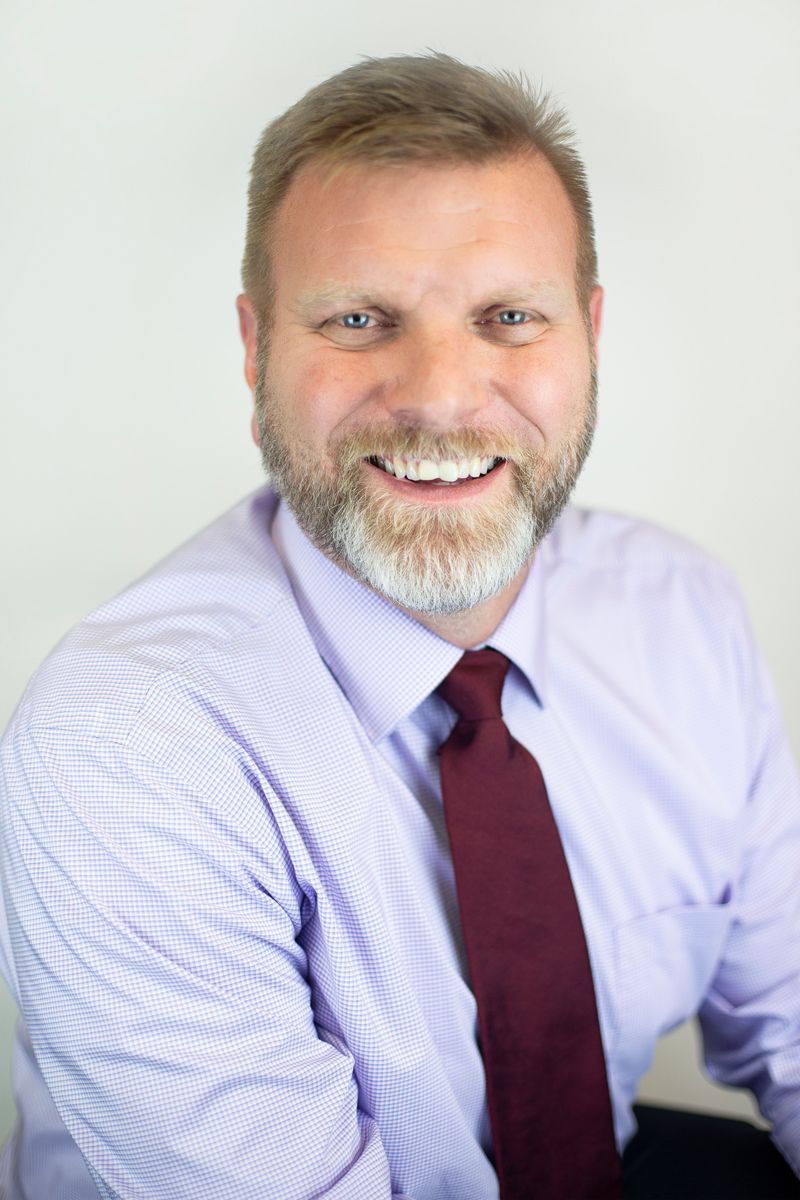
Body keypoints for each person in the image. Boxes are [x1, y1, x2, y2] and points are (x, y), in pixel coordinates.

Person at [0, 51, 798, 1200]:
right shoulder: (124, 749)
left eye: (508, 316)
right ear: (254, 347)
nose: (437, 394)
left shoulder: (680, 612)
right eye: (359, 318)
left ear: (587, 333)